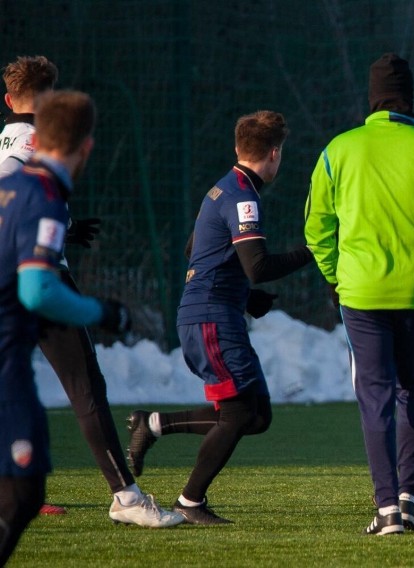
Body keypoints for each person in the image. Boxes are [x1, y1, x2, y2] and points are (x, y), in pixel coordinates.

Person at [0, 55, 183, 527]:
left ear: (7, 100)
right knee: (85, 386)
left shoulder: (2, 138)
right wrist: (100, 310)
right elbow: (20, 188)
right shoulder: (32, 143)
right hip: (34, 275)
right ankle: (125, 495)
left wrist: (60, 223)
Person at [304, 53, 414, 535]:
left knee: (376, 397)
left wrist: (332, 275)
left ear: (372, 98)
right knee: (413, 390)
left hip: (360, 293)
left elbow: (316, 227)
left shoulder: (338, 150)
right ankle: (408, 498)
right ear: (410, 98)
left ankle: (386, 509)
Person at [126, 110, 313, 525]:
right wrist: (313, 250)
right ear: (274, 153)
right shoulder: (243, 197)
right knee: (240, 414)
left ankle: (152, 423)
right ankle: (190, 501)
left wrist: (245, 297)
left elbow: (197, 250)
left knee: (256, 414)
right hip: (211, 320)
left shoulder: (224, 188)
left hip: (212, 313)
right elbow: (258, 266)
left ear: (237, 148)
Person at [0, 90, 136, 565]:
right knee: (22, 489)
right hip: (5, 357)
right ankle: (127, 496)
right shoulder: (45, 193)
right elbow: (39, 291)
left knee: (24, 488)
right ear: (87, 146)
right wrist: (102, 312)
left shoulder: (15, 184)